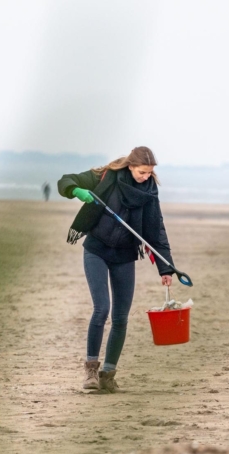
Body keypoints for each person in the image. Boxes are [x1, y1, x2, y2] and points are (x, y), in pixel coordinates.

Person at [58, 146, 176, 393]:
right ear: (131, 166)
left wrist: (166, 269)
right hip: (97, 250)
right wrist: (76, 190)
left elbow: (157, 230)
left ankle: (108, 374)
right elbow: (65, 180)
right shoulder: (106, 175)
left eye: (149, 173)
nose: (146, 176)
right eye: (142, 172)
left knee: (121, 318)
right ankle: (91, 370)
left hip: (124, 256)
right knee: (102, 309)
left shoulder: (149, 192)